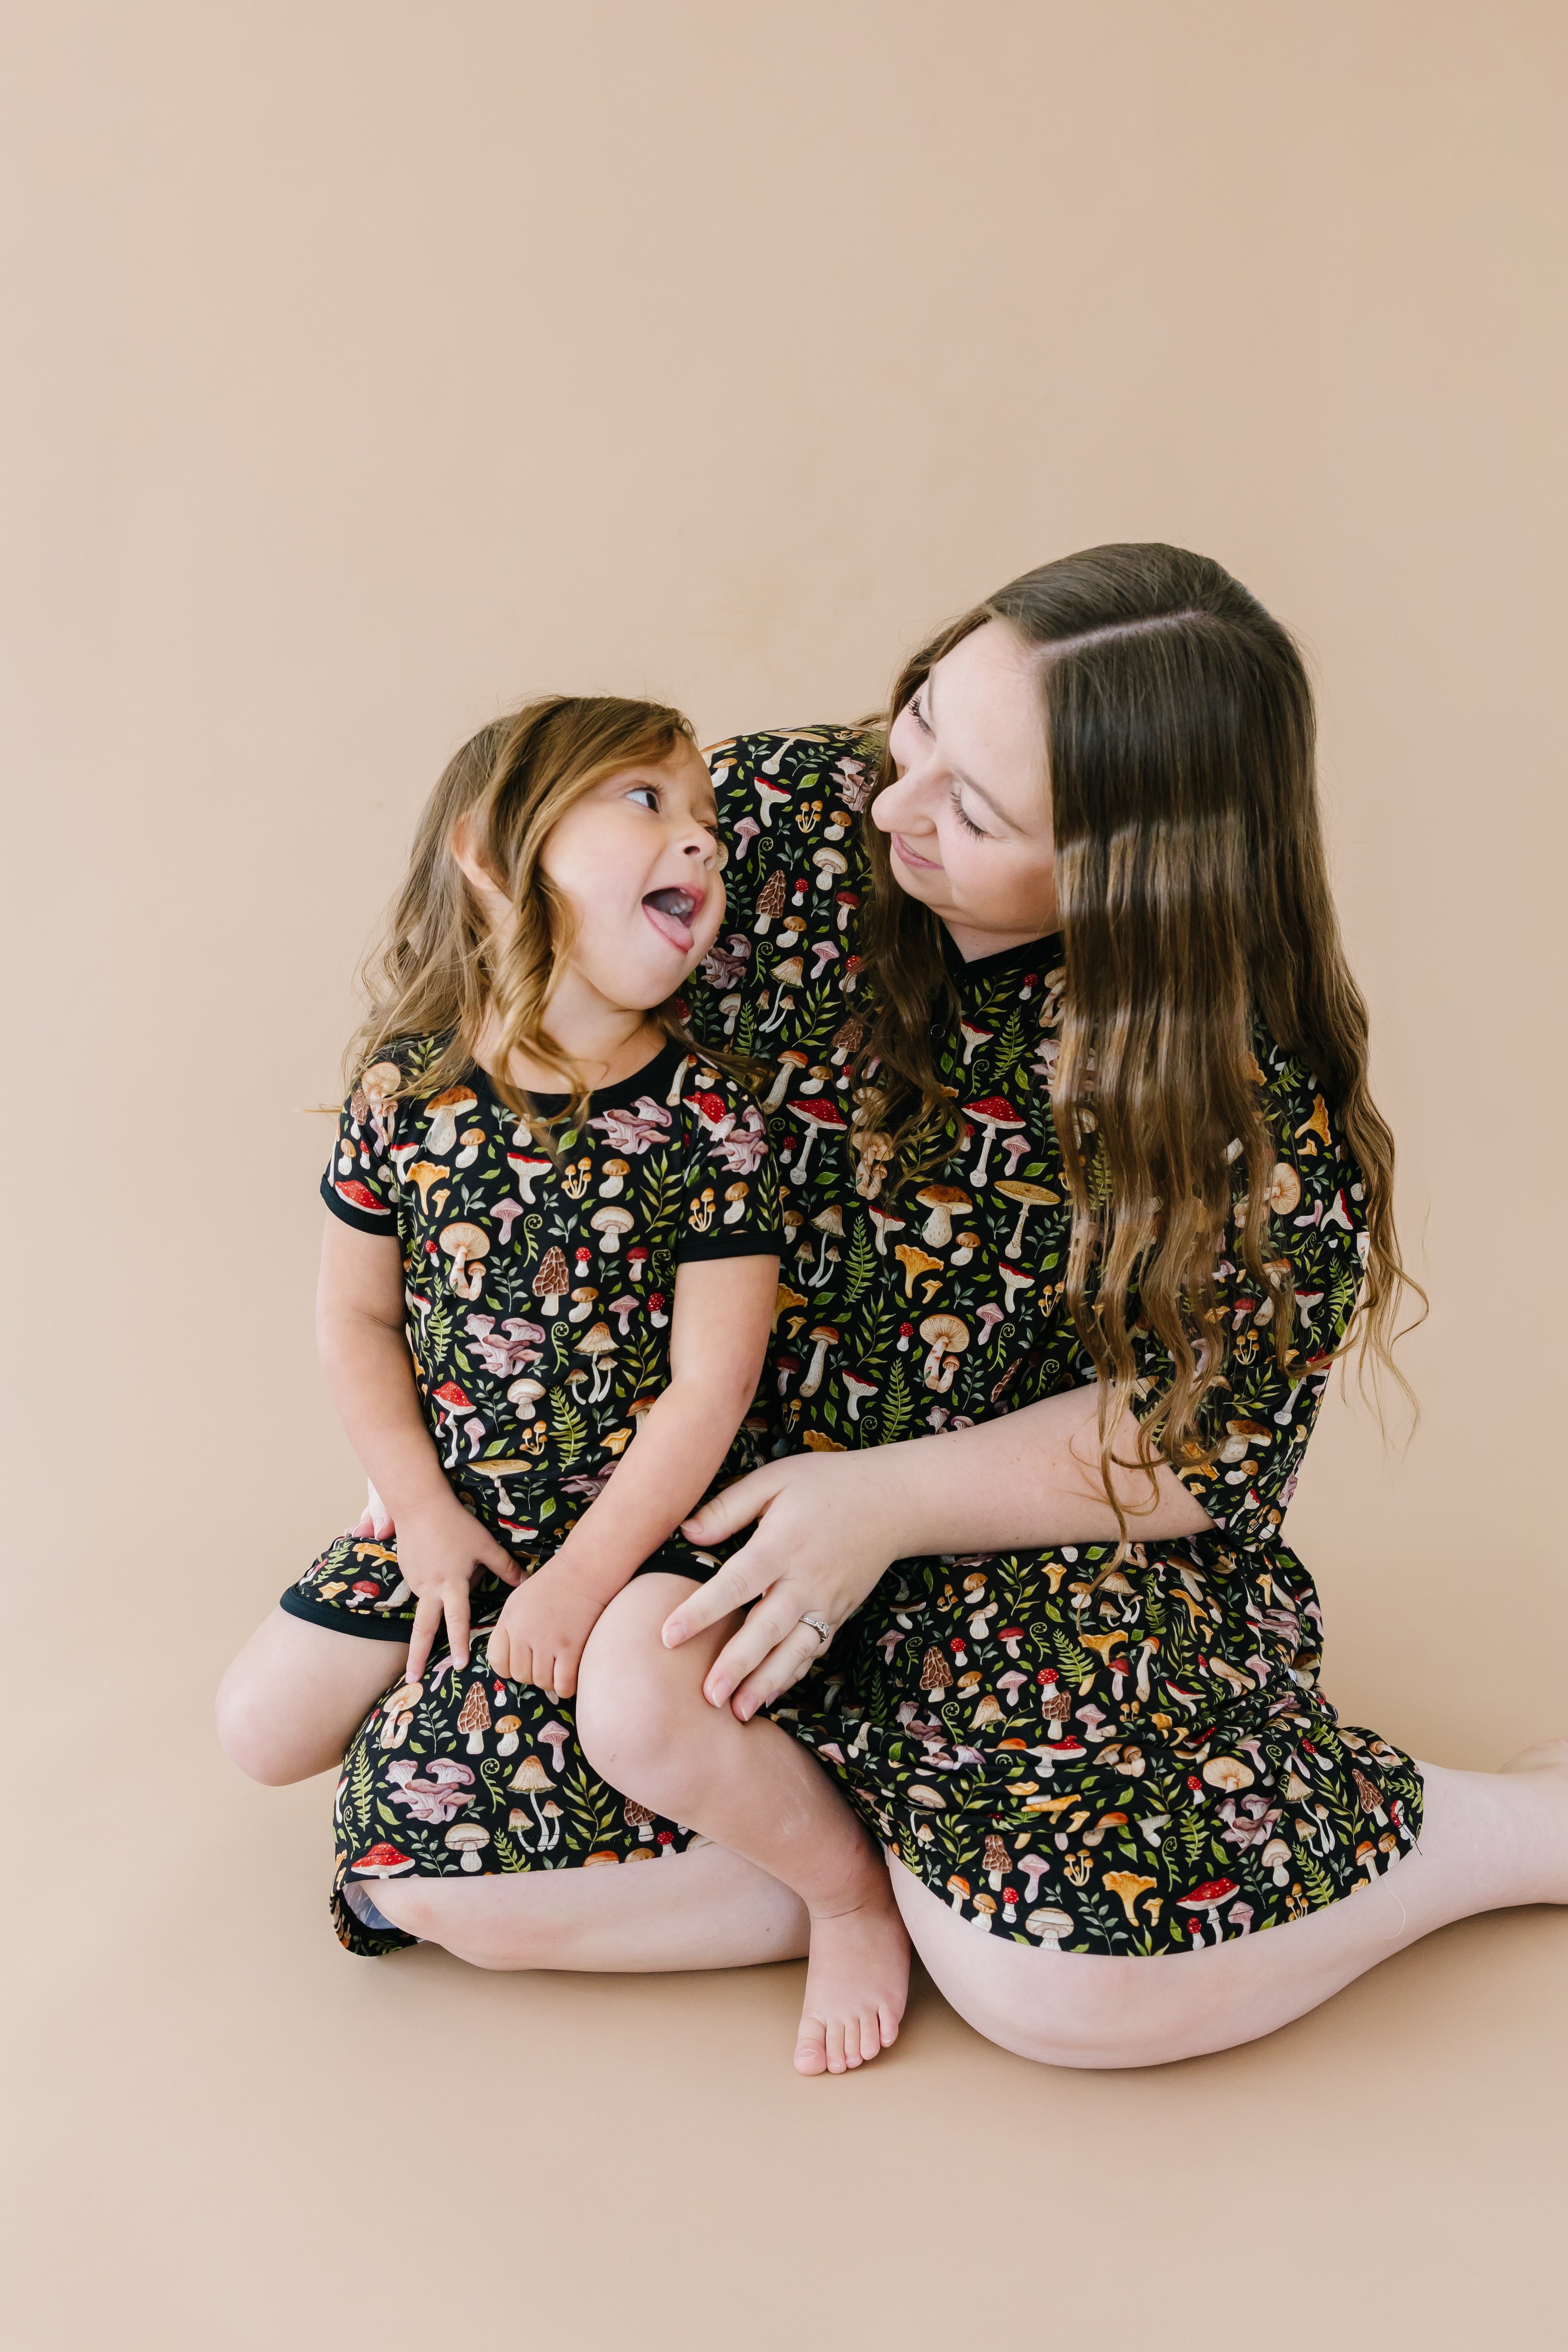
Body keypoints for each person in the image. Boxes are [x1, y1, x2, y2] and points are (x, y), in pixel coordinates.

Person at [224, 549, 1566, 2078]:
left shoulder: (1227, 1086)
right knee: (421, 1848)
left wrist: (890, 1498)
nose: (891, 804)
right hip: (678, 1513)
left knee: (1069, 1991)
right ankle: (882, 1859)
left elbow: (1213, 1432)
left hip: (1015, 1567)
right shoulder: (778, 820)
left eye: (974, 810)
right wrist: (462, 1398)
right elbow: (528, 1038)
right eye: (919, 718)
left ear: (1130, 873)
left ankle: (1509, 1832)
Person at [219, 693, 913, 2048]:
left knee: (631, 1709)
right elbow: (354, 1322)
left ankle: (844, 1894)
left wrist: (585, 1581)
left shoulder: (706, 1121)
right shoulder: (404, 1087)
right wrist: (418, 1510)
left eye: (709, 821)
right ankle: (629, 1818)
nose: (702, 846)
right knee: (261, 1726)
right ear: (494, 853)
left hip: (638, 1535)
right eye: (648, 802)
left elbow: (711, 1391)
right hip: (464, 1511)